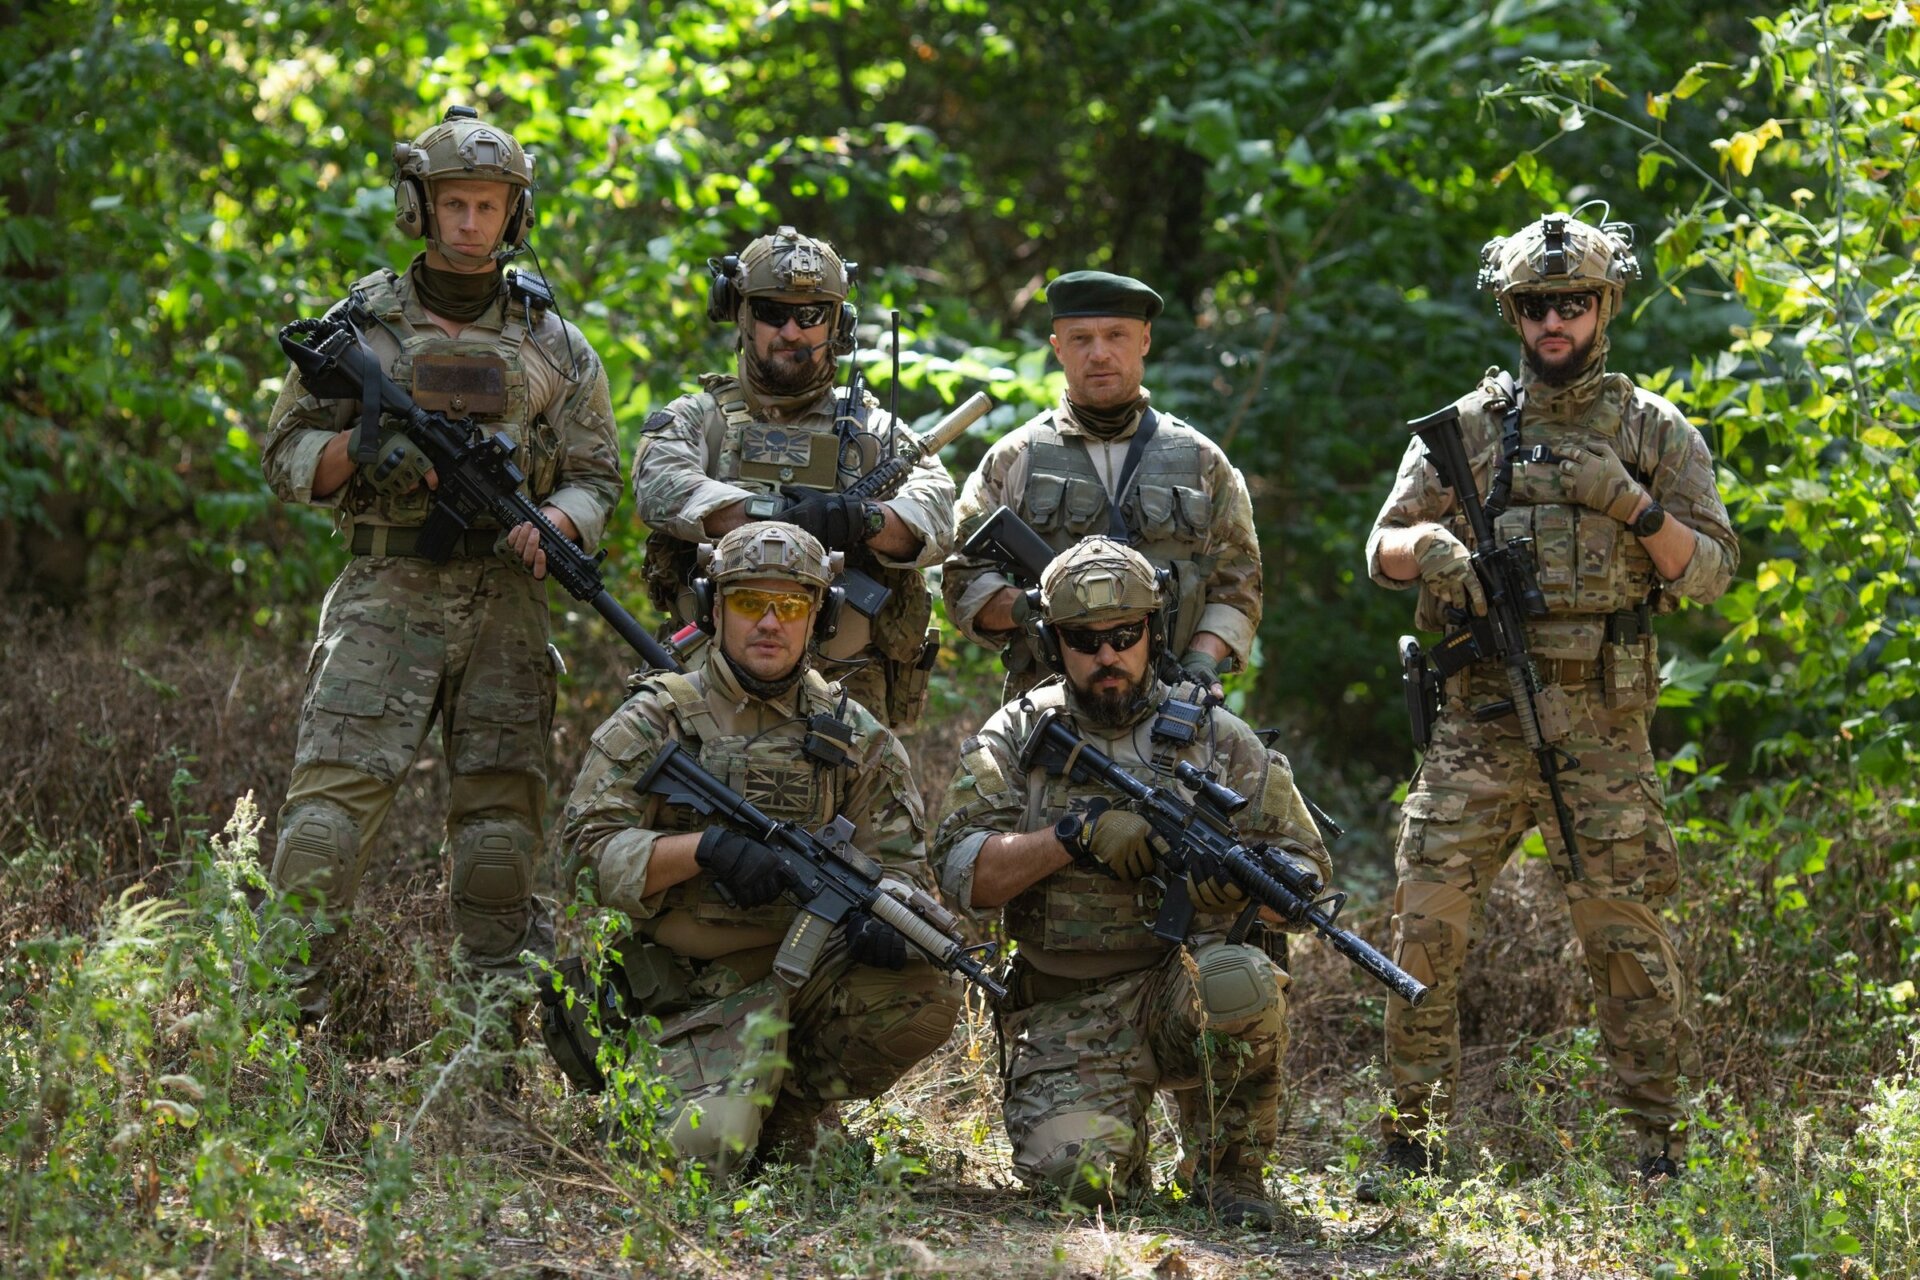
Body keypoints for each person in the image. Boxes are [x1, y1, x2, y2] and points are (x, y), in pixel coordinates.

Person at [1360, 209, 1737, 1193]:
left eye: (1573, 302)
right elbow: (1380, 549)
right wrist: (1429, 547)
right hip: (1479, 725)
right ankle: (1410, 1144)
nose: (1554, 320)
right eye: (1536, 305)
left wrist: (1631, 504)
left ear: (1605, 305)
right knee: (1424, 928)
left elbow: (1709, 573)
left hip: (1602, 732)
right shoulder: (1468, 428)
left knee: (1629, 942)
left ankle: (1661, 1152)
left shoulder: (1653, 429)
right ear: (1513, 313)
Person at [259, 105, 622, 1019]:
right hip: (384, 595)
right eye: (454, 203)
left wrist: (557, 522)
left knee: (500, 834)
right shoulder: (363, 328)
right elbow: (285, 453)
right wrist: (361, 449)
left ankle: (488, 1040)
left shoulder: (553, 342)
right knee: (326, 822)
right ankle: (274, 1022)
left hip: (506, 603)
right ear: (419, 207)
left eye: (488, 206)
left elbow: (598, 477)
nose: (470, 223)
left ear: (515, 214)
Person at [933, 538, 1330, 1227]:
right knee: (1078, 1182)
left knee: (1241, 979)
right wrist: (1073, 836)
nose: (1107, 655)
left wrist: (1241, 890)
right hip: (1068, 1001)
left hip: (1184, 987)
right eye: (1084, 640)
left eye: (1125, 635)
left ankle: (1229, 1170)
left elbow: (1305, 876)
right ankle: (1120, 1145)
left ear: (1154, 630)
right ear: (1053, 642)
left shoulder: (1219, 737)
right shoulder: (1017, 736)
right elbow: (964, 871)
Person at [555, 521, 961, 1167]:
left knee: (925, 989)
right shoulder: (656, 718)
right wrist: (702, 850)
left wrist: (885, 920)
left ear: (819, 617)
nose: (770, 622)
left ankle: (790, 1105)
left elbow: (901, 867)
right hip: (686, 991)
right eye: (749, 602)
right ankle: (699, 1088)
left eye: (791, 606)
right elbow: (580, 857)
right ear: (714, 609)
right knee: (699, 1155)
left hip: (806, 985)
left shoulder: (855, 734)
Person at [629, 226, 954, 729]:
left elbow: (936, 515)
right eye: (771, 312)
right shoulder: (698, 418)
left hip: (845, 686)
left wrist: (861, 519)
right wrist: (776, 514)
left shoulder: (875, 432)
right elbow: (660, 486)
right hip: (708, 679)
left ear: (838, 324)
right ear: (741, 314)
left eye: (810, 316)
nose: (791, 332)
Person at [942, 270, 1261, 699]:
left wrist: (1201, 662)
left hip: (1173, 702)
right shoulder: (1014, 459)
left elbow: (1239, 585)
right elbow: (962, 581)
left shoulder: (1202, 461)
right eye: (1080, 339)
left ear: (1144, 340)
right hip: (1047, 704)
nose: (1099, 354)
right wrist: (1032, 604)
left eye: (1116, 336)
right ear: (1058, 348)